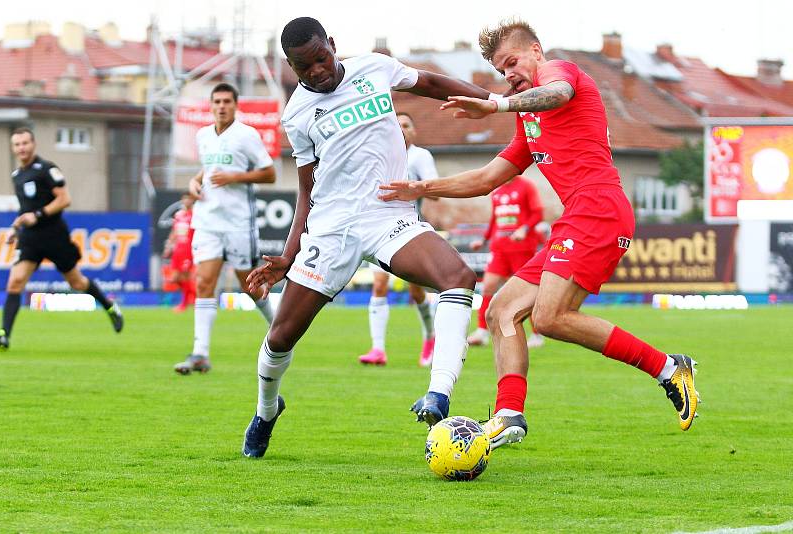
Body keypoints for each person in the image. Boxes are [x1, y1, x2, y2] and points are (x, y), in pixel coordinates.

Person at [380, 18, 700, 448]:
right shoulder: (529, 118)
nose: (509, 74)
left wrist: (494, 104)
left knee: (548, 318)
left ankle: (669, 368)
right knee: (501, 311)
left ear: (535, 50)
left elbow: (559, 94)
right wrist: (422, 188)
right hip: (578, 216)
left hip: (599, 211)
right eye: (501, 71)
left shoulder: (560, 73)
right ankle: (509, 412)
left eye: (512, 62)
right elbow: (490, 176)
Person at [242, 16, 495, 458]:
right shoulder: (298, 114)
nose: (317, 71)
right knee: (281, 337)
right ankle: (267, 411)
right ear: (291, 67)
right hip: (333, 228)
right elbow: (307, 188)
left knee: (458, 275)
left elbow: (431, 82)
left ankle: (438, 394)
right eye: (304, 68)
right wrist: (288, 254)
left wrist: (496, 103)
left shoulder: (374, 68)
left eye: (321, 59)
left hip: (388, 215)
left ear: (332, 45)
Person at [174, 83, 277, 375]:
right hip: (207, 221)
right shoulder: (203, 135)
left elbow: (270, 173)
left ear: (235, 105)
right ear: (211, 105)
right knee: (204, 282)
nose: (221, 106)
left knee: (250, 285)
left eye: (226, 101)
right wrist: (195, 182)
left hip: (238, 222)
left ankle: (279, 327)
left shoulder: (247, 135)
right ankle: (200, 354)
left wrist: (235, 177)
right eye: (216, 101)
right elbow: (208, 168)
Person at [0, 127, 124, 349]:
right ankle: (5, 334)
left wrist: (38, 215)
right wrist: (17, 227)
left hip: (54, 235)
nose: (21, 148)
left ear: (33, 144)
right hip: (31, 238)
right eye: (17, 144)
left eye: (25, 143)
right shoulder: (17, 176)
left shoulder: (47, 169)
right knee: (15, 281)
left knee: (77, 282)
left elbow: (64, 199)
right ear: (13, 148)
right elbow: (26, 208)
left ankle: (110, 306)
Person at [358, 112, 438, 367]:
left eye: (406, 124)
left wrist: (416, 187)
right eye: (397, 124)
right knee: (379, 285)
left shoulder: (420, 156)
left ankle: (430, 337)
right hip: (378, 230)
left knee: (416, 291)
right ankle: (377, 349)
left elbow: (435, 191)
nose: (401, 129)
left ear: (414, 131)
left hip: (408, 230)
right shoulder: (378, 155)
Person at [466, 175, 545, 349]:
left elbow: (538, 213)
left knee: (527, 293)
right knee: (488, 286)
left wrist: (524, 229)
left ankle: (537, 335)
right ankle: (482, 331)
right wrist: (483, 240)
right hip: (499, 249)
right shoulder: (497, 190)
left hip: (521, 248)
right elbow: (495, 219)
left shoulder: (526, 186)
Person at [163, 192, 196, 312]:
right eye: (184, 199)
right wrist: (168, 246)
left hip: (189, 250)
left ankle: (184, 304)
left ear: (192, 201)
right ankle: (195, 296)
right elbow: (174, 232)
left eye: (189, 199)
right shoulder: (179, 215)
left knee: (185, 277)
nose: (186, 201)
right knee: (175, 278)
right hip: (178, 250)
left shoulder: (195, 215)